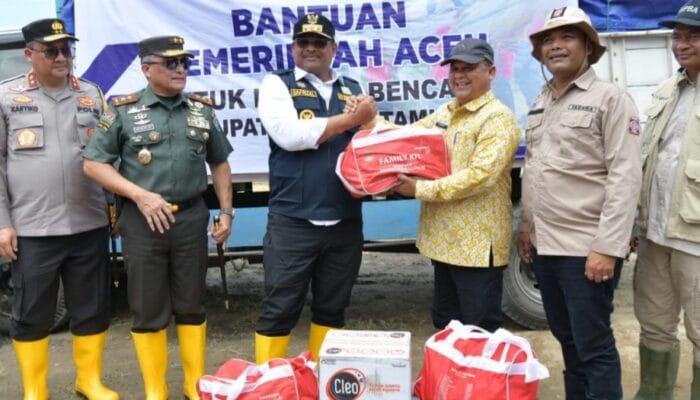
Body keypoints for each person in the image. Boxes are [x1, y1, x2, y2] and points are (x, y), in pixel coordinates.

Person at [82, 35, 233, 400]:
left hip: (191, 216)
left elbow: (220, 162)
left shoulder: (201, 110)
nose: (181, 69)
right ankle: (155, 388)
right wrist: (140, 195)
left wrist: (226, 211)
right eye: (171, 63)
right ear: (148, 69)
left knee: (192, 303)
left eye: (184, 62)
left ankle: (193, 385)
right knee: (148, 307)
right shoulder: (122, 110)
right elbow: (93, 164)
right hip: (142, 220)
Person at [517, 6, 642, 399]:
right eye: (548, 40)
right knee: (568, 341)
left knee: (594, 346)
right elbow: (535, 169)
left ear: (588, 47)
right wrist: (526, 230)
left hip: (586, 249)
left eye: (567, 37)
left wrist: (607, 247)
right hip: (545, 246)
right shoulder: (541, 100)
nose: (556, 46)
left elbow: (625, 176)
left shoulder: (611, 99)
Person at [0, 18, 118, 400]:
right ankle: (35, 390)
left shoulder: (92, 93)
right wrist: (3, 224)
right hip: (33, 227)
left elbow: (109, 158)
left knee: (92, 308)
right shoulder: (6, 97)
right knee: (32, 313)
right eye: (51, 50)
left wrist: (113, 210)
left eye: (67, 49)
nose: (62, 57)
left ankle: (90, 381)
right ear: (29, 54)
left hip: (89, 222)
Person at [255, 13, 377, 363]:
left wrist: (369, 118)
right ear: (293, 48)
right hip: (292, 220)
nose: (311, 48)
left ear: (333, 48)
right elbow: (291, 136)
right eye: (303, 42)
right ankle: (268, 384)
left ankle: (324, 383)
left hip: (344, 218)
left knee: (333, 308)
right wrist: (350, 120)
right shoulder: (276, 84)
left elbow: (370, 141)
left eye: (319, 42)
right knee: (279, 308)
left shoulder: (352, 88)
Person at [392, 38, 520, 332]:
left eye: (469, 68)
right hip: (444, 243)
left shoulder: (497, 118)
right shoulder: (447, 112)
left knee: (478, 332)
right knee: (446, 326)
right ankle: (453, 379)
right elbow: (409, 137)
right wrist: (369, 123)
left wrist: (420, 189)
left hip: (476, 249)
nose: (459, 75)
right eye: (455, 69)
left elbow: (480, 176)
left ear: (491, 72)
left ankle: (481, 380)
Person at [633, 1, 700, 398]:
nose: (682, 44)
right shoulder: (666, 90)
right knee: (654, 324)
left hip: (696, 240)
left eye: (693, 36)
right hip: (656, 235)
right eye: (677, 36)